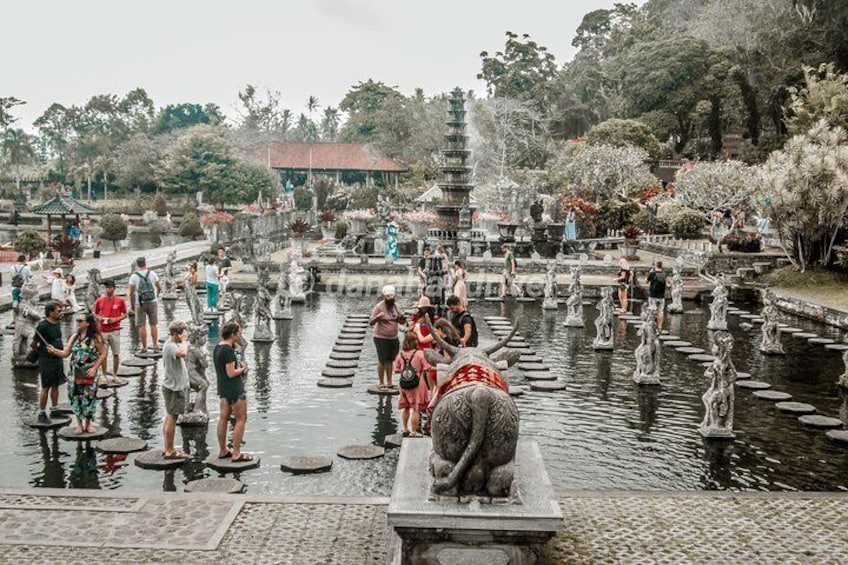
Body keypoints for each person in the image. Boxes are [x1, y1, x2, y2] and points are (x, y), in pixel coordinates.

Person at [47, 312, 106, 434]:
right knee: (75, 397)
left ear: (88, 323)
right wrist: (54, 351)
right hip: (75, 373)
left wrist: (95, 368)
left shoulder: (96, 338)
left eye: (80, 321)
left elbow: (103, 354)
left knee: (89, 397)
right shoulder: (74, 337)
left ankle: (88, 423)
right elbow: (66, 353)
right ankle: (79, 424)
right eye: (77, 320)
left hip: (89, 371)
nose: (77, 323)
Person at [213, 322, 252, 462]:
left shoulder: (218, 347)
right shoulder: (228, 350)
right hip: (234, 389)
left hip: (222, 388)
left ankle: (223, 450)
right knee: (241, 419)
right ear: (233, 334)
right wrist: (243, 368)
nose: (240, 335)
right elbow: (231, 373)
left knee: (223, 418)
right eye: (239, 333)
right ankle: (236, 452)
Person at [33, 303, 68, 424]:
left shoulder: (57, 323)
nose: (60, 313)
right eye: (58, 311)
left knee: (56, 384)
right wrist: (42, 351)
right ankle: (42, 413)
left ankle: (55, 409)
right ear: (50, 312)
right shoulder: (42, 326)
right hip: (47, 359)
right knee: (46, 386)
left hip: (57, 357)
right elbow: (34, 343)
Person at [162, 320, 190, 459]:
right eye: (183, 333)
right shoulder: (171, 346)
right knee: (172, 417)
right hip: (174, 388)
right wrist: (184, 341)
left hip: (174, 385)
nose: (186, 335)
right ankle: (169, 450)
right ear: (176, 334)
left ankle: (167, 446)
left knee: (169, 416)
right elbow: (183, 353)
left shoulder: (171, 344)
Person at [394, 332, 431, 437]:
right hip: (417, 384)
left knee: (406, 407)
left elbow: (396, 370)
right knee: (416, 408)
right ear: (414, 341)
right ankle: (414, 432)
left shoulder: (400, 355)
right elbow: (427, 368)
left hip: (404, 384)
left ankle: (405, 429)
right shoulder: (419, 354)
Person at [92, 280, 127, 383]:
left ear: (114, 288)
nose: (108, 290)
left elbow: (125, 313)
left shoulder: (120, 300)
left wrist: (116, 319)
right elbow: (94, 313)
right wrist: (99, 318)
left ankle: (115, 375)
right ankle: (104, 375)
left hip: (115, 330)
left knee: (116, 353)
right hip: (102, 330)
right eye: (107, 288)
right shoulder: (100, 300)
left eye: (110, 288)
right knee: (104, 353)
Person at [369, 285, 401, 391]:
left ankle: (390, 382)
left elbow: (401, 321)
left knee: (390, 360)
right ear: (384, 296)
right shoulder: (379, 307)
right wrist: (378, 317)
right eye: (388, 296)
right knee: (382, 360)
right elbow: (371, 322)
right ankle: (381, 382)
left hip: (393, 337)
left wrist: (401, 319)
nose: (390, 298)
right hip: (381, 337)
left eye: (391, 296)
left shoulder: (396, 306)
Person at [128, 257, 161, 354]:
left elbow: (131, 293)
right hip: (152, 301)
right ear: (145, 263)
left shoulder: (134, 276)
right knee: (153, 324)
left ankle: (144, 347)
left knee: (142, 325)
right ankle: (155, 345)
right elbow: (159, 287)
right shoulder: (152, 273)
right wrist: (156, 296)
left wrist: (133, 306)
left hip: (140, 303)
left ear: (137, 265)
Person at [10, 255, 31, 326]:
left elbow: (11, 277)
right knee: (23, 304)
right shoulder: (26, 268)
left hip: (14, 288)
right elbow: (30, 278)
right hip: (23, 288)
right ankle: (22, 319)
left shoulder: (12, 267)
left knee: (15, 302)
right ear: (24, 260)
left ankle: (14, 319)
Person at [647, 260, 668, 331]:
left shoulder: (652, 274)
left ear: (655, 265)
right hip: (661, 296)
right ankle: (659, 327)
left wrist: (650, 273)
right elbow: (668, 283)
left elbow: (646, 282)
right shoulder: (664, 274)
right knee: (660, 312)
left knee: (652, 311)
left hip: (653, 295)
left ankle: (651, 326)